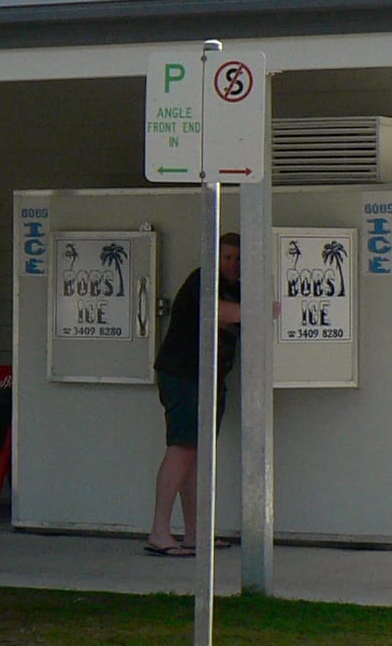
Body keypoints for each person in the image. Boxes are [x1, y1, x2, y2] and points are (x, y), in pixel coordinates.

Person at [145, 232, 241, 558]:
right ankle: (159, 531)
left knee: (197, 453)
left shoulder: (236, 288)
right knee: (182, 447)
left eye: (238, 259)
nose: (233, 264)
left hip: (210, 377)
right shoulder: (202, 280)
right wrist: (262, 308)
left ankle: (195, 533)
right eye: (227, 257)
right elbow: (221, 312)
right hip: (184, 374)